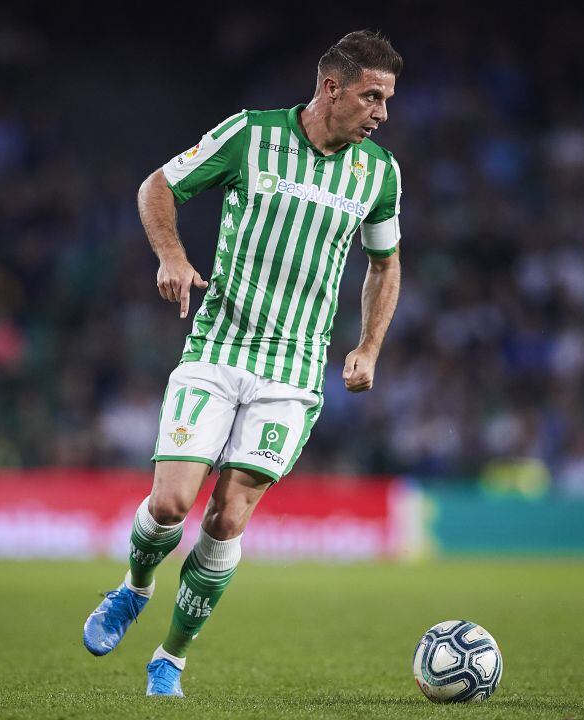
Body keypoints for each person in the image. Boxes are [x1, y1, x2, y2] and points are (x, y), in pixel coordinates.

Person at [83, 29, 404, 697]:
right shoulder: (250, 136)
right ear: (330, 88)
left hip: (292, 372)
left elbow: (385, 263)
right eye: (371, 96)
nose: (381, 113)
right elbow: (157, 187)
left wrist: (369, 344)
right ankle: (134, 587)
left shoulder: (380, 174)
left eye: (387, 100)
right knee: (171, 504)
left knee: (228, 517)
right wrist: (171, 256)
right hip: (218, 349)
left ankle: (171, 657)